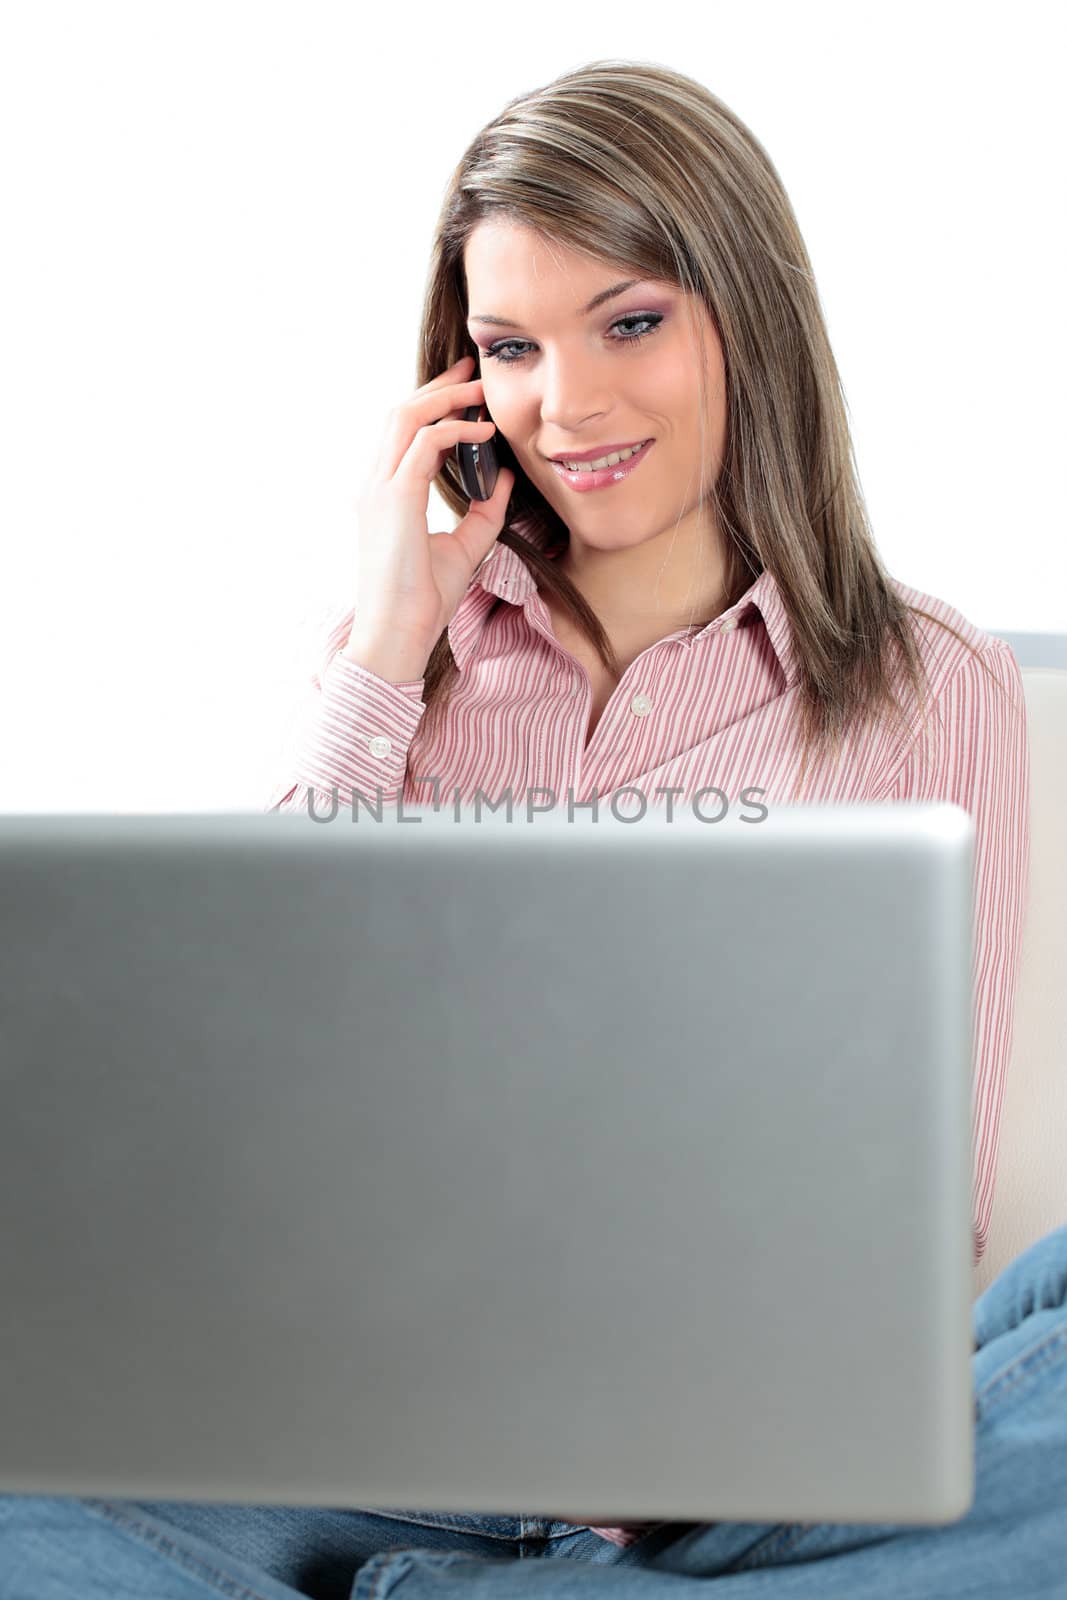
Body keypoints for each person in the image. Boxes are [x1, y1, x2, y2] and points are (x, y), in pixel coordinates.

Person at [4, 56, 1063, 1600]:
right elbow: (244, 1108)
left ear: (742, 326)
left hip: (729, 1500)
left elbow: (929, 1217)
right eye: (510, 348)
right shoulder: (400, 660)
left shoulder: (925, 682)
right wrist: (381, 641)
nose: (565, 407)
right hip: (367, 1474)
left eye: (629, 321)